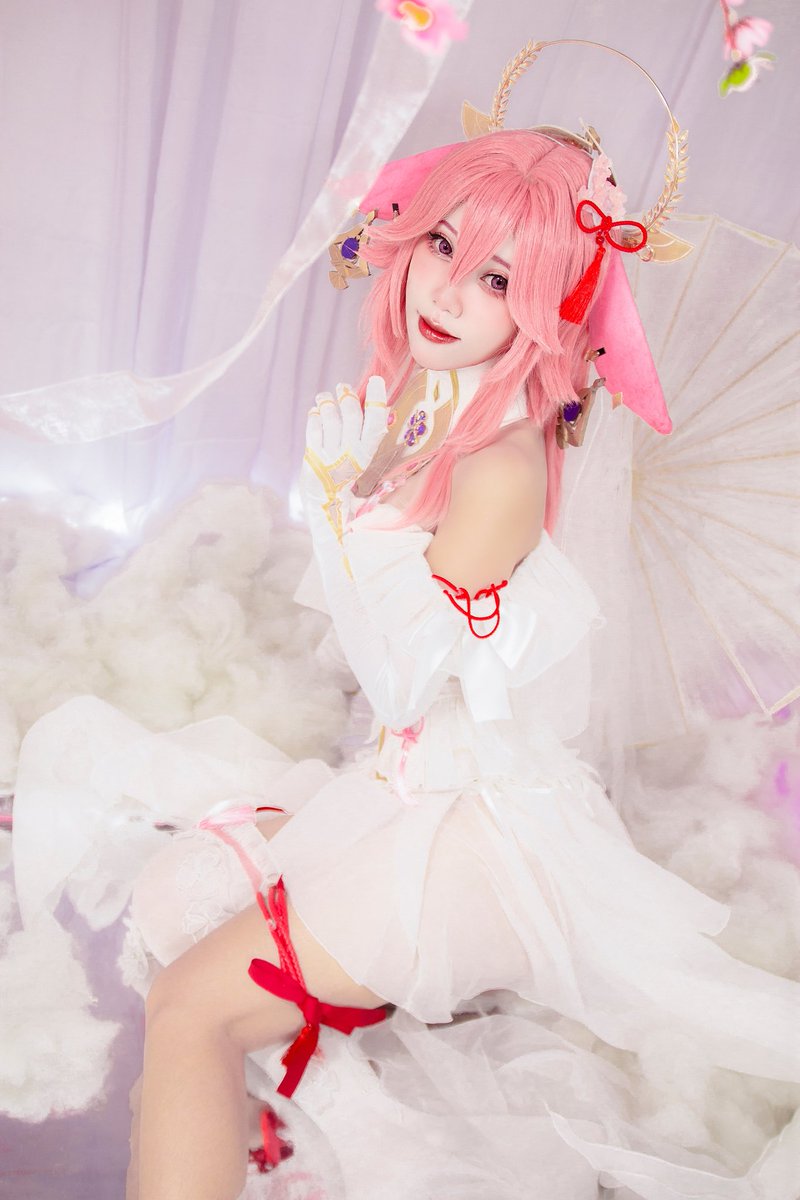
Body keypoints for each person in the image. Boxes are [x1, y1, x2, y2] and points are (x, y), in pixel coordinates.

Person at [12, 124, 800, 1200]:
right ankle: (258, 1130)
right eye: (441, 244)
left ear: (543, 306)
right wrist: (352, 503)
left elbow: (405, 679)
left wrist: (341, 511)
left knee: (189, 1011)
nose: (448, 291)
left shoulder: (501, 469)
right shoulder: (439, 404)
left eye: (497, 278)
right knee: (172, 915)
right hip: (403, 787)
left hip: (475, 832)